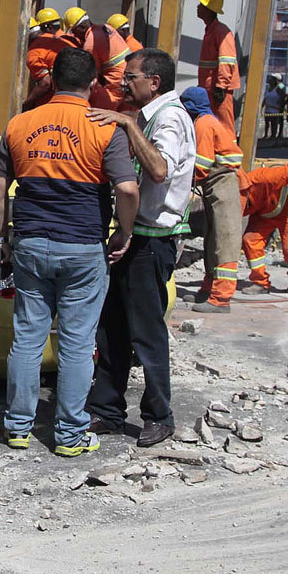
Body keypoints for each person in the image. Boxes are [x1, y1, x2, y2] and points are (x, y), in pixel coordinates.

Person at [0, 48, 139, 457]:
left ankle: (17, 428)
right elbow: (127, 188)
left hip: (31, 243)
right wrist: (123, 233)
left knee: (26, 339)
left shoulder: (20, 124)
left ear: (52, 80)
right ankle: (69, 435)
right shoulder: (104, 129)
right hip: (82, 247)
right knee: (76, 344)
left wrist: (2, 236)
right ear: (93, 83)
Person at [84, 48, 194, 447]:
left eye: (131, 77)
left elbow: (160, 169)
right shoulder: (151, 117)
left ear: (155, 82)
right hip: (138, 237)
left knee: (146, 333)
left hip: (154, 241)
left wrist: (127, 126)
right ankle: (107, 409)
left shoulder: (169, 119)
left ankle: (159, 416)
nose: (124, 82)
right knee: (112, 328)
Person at [184, 87, 249, 314]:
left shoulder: (202, 124)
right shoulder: (207, 121)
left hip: (226, 183)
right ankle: (209, 288)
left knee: (225, 239)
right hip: (217, 185)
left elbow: (201, 166)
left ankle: (221, 298)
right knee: (212, 240)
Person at [239, 162, 288, 294]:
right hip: (263, 213)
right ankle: (260, 282)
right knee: (249, 241)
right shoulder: (236, 201)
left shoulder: (262, 178)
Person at [62, 7, 129, 110]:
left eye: (75, 31)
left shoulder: (90, 44)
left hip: (116, 81)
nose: (75, 35)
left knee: (103, 111)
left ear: (82, 27)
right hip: (127, 74)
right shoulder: (106, 27)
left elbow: (92, 73)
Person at [196, 0, 241, 135]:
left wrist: (221, 86)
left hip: (218, 87)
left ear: (209, 10)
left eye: (201, 4)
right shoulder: (211, 30)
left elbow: (227, 60)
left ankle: (229, 153)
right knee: (213, 122)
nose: (198, 7)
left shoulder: (221, 32)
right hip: (210, 86)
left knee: (224, 125)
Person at [22, 8, 72, 109]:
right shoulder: (58, 39)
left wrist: (27, 104)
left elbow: (45, 83)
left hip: (59, 99)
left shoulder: (34, 52)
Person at [262, 75, 285, 141]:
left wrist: (280, 102)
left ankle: (276, 135)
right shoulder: (268, 88)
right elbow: (265, 98)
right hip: (268, 108)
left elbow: (284, 94)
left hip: (275, 109)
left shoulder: (280, 86)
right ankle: (266, 135)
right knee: (267, 122)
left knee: (275, 123)